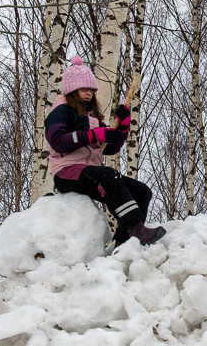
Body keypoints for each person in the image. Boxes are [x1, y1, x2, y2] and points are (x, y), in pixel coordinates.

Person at [44, 56, 165, 246]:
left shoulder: (92, 119)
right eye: (85, 89)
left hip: (90, 172)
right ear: (72, 90)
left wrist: (122, 127)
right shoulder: (60, 112)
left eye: (91, 90)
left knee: (141, 191)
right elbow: (58, 142)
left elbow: (111, 148)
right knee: (109, 175)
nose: (89, 94)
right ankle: (135, 229)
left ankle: (123, 242)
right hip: (67, 172)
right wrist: (91, 136)